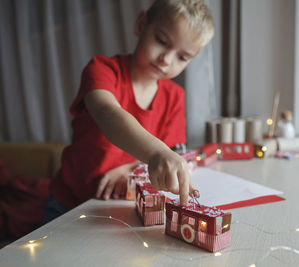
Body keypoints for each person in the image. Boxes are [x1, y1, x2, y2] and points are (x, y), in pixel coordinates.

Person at [42, 0, 214, 224]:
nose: (166, 59)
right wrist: (156, 154)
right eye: (161, 41)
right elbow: (108, 113)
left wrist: (131, 170)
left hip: (121, 208)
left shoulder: (174, 96)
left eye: (182, 57)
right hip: (68, 203)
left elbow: (172, 154)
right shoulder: (102, 70)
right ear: (141, 24)